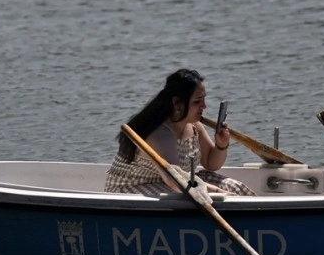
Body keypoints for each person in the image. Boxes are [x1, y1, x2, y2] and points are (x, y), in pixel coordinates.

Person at [104, 68, 256, 196]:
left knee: (234, 187)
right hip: (134, 189)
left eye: (204, 99)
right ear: (177, 103)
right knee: (199, 196)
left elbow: (211, 163)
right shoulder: (160, 134)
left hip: (175, 182)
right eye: (197, 102)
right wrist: (217, 191)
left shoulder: (194, 125)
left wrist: (221, 145)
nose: (204, 106)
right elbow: (177, 181)